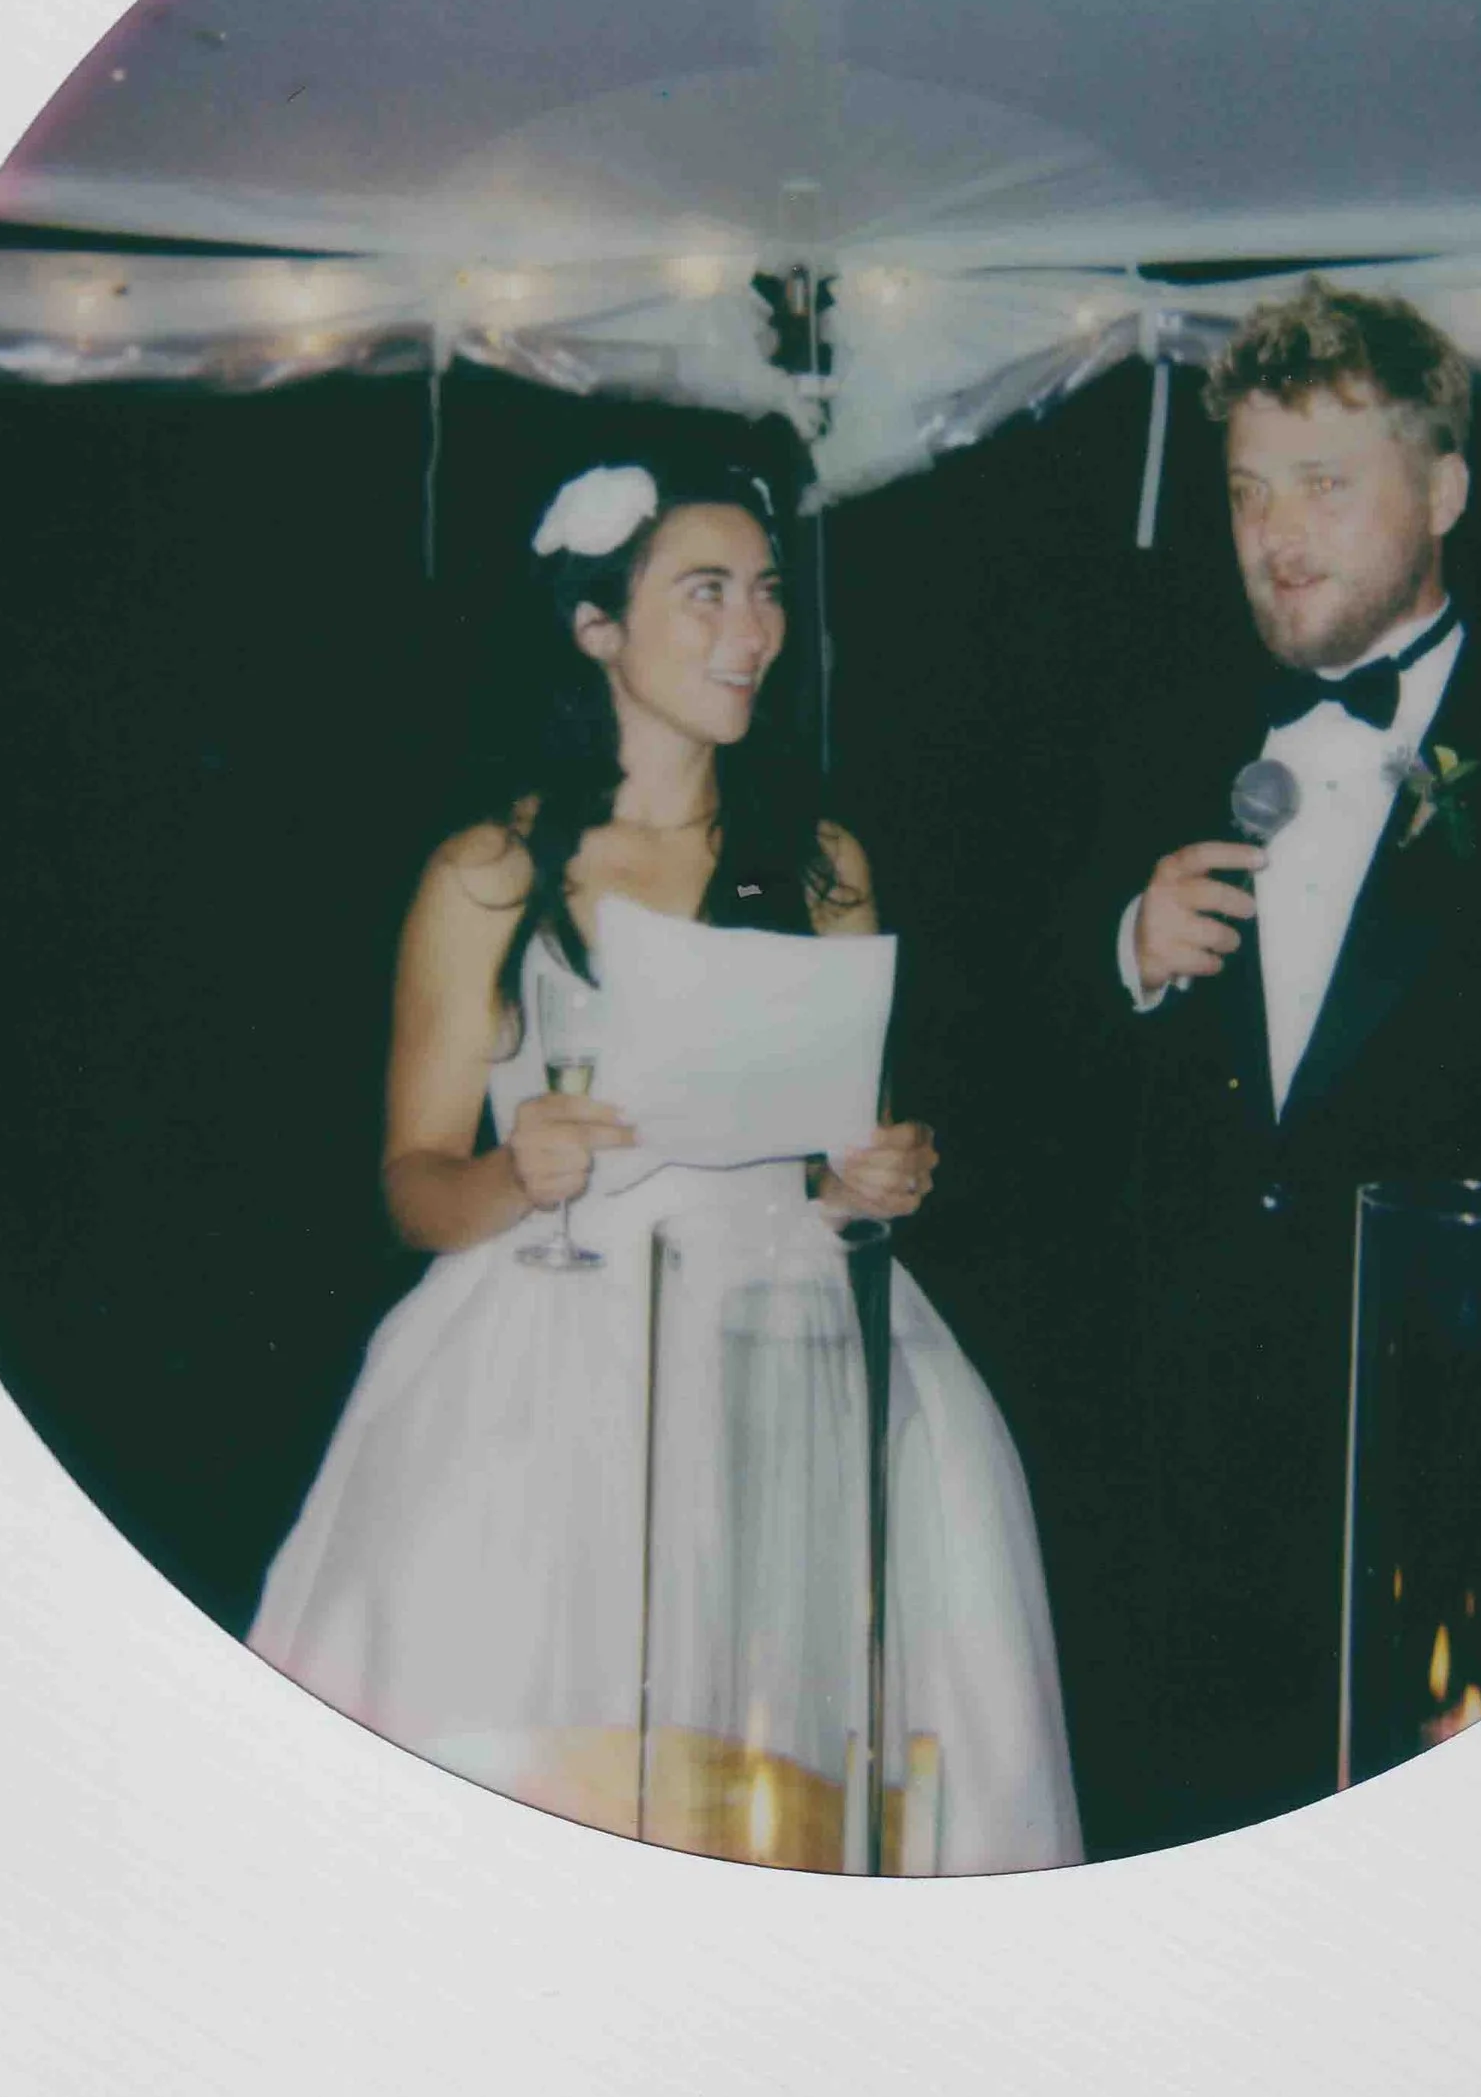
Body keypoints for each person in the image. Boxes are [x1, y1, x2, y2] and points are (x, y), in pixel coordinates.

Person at [250, 458, 1082, 1874]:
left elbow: (839, 1148)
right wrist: (516, 1173)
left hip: (792, 1346)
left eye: (765, 593)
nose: (752, 630)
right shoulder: (493, 873)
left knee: (805, 1773)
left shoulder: (818, 865)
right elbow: (412, 1185)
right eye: (705, 593)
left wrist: (872, 1180)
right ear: (596, 627)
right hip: (557, 1349)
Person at [1053, 281, 1481, 1861]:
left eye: (1323, 484)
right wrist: (1124, 958)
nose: (1272, 535)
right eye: (1246, 490)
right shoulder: (1159, 737)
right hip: (1189, 1547)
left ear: (1443, 492)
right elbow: (1030, 1090)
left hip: (1480, 1521)